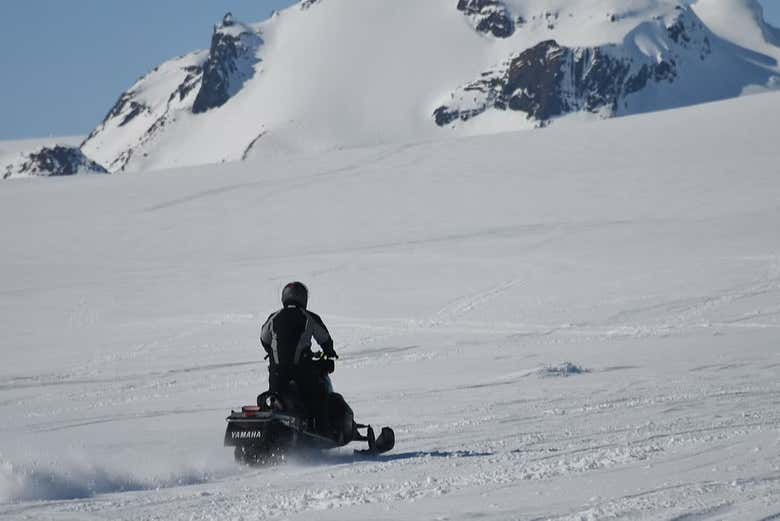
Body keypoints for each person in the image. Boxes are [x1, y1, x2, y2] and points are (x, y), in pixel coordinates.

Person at [260, 282, 338, 435]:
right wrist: (329, 352)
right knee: (320, 393)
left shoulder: (274, 317)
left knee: (274, 397)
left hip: (277, 374)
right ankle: (323, 431)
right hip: (300, 371)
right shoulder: (308, 316)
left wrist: (272, 352)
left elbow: (264, 338)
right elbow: (324, 338)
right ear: (303, 298)